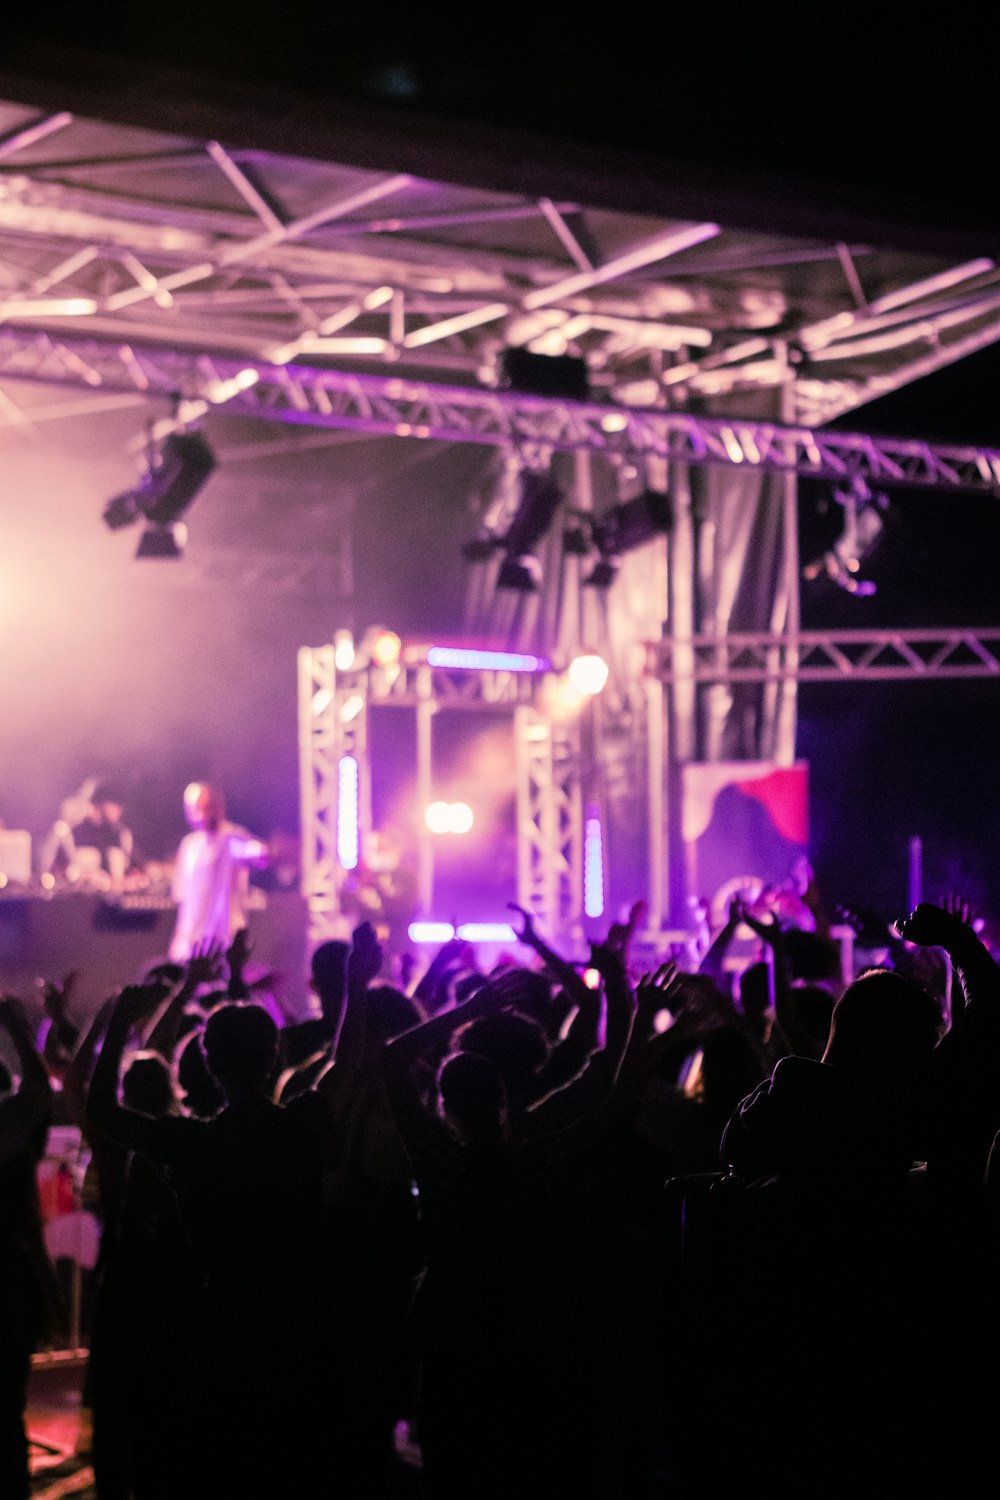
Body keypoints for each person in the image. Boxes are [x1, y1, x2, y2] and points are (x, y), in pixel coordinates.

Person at [168, 783, 268, 964]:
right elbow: (182, 898)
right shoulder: (189, 845)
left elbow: (258, 854)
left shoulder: (232, 838)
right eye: (193, 809)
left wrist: (267, 851)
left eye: (203, 808)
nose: (198, 815)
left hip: (223, 945)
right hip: (191, 947)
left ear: (218, 807)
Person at [70, 783, 136, 888]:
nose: (119, 810)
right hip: (83, 898)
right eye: (114, 804)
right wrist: (88, 876)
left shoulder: (117, 833)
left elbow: (131, 867)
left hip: (113, 898)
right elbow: (62, 870)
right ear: (100, 804)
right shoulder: (76, 833)